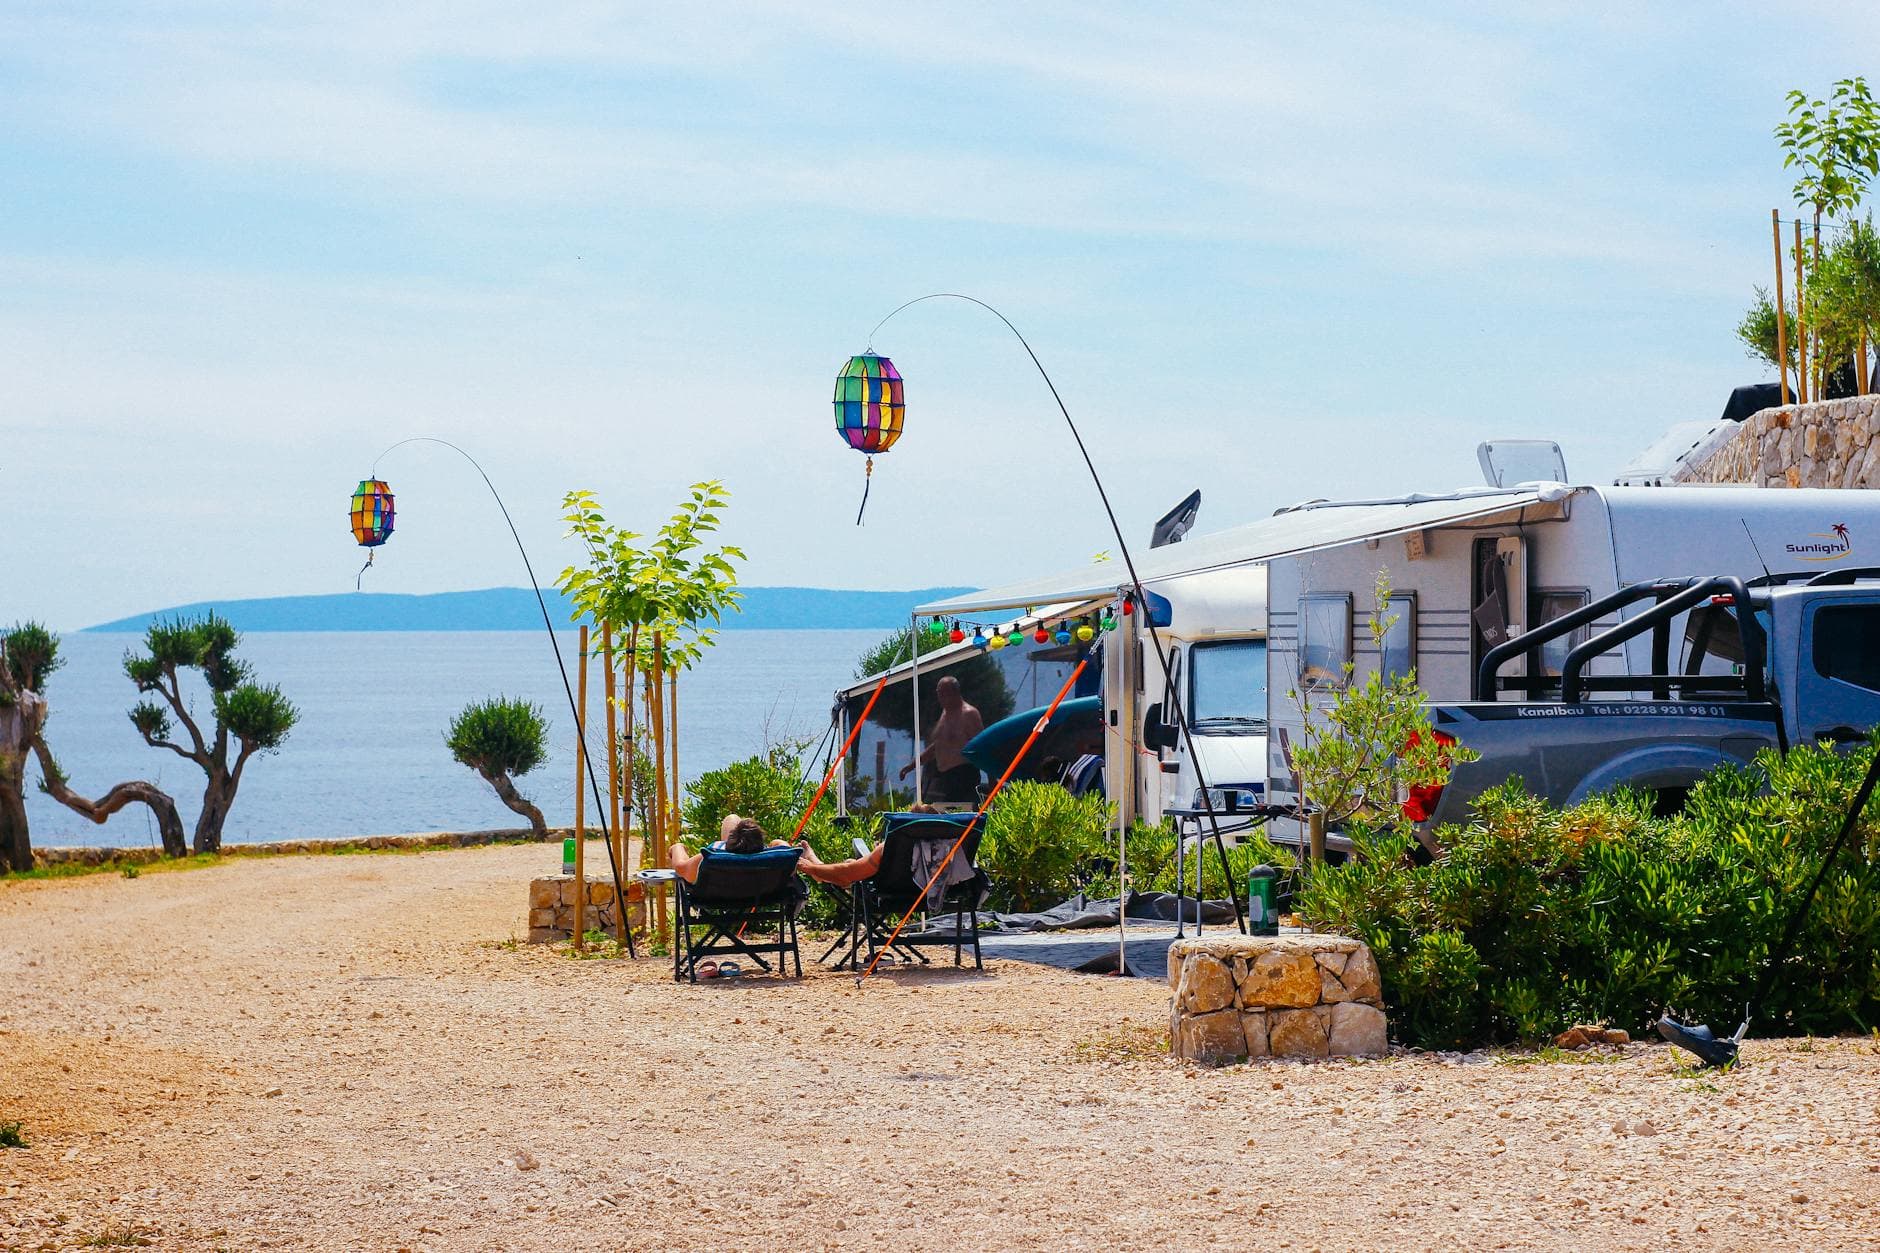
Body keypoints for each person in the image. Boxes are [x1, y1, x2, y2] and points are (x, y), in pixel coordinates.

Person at [897, 675, 984, 802]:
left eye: (944, 693)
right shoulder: (945, 714)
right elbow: (938, 745)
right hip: (945, 777)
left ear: (955, 692)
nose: (940, 697)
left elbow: (983, 746)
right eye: (939, 693)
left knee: (961, 814)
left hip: (964, 775)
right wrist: (913, 765)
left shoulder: (968, 714)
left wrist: (993, 781)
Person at [668, 813, 799, 884]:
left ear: (728, 841)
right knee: (733, 819)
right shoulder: (778, 858)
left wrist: (677, 847)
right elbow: (787, 852)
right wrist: (777, 843)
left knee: (731, 819)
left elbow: (681, 867)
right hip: (763, 896)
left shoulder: (711, 856)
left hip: (716, 895)